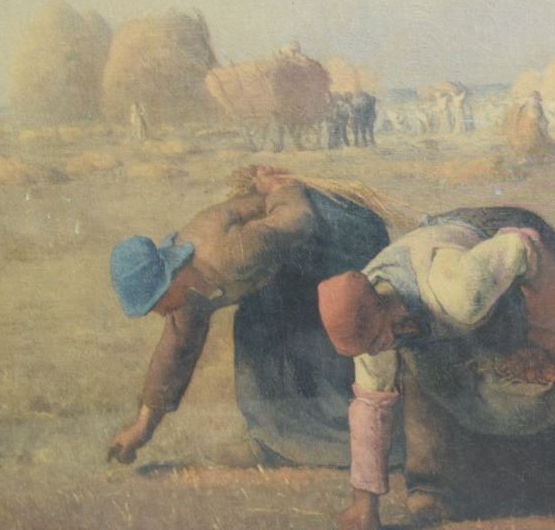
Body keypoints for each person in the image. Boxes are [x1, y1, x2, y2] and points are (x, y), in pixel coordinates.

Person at [316, 207, 555, 530]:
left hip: (515, 248)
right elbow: (372, 409)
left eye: (374, 342)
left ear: (383, 308)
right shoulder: (369, 326)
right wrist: (365, 505)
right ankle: (432, 487)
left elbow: (523, 246)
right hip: (454, 276)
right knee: (431, 372)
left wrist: (546, 323)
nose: (372, 353)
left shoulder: (457, 291)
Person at [107, 166, 390, 468]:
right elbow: (177, 350)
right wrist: (143, 428)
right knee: (253, 329)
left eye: (156, 302)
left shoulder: (228, 254)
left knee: (326, 332)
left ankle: (360, 443)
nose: (159, 312)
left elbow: (297, 222)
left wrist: (281, 188)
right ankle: (276, 442)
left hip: (338, 236)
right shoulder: (187, 295)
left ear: (171, 279)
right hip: (293, 262)